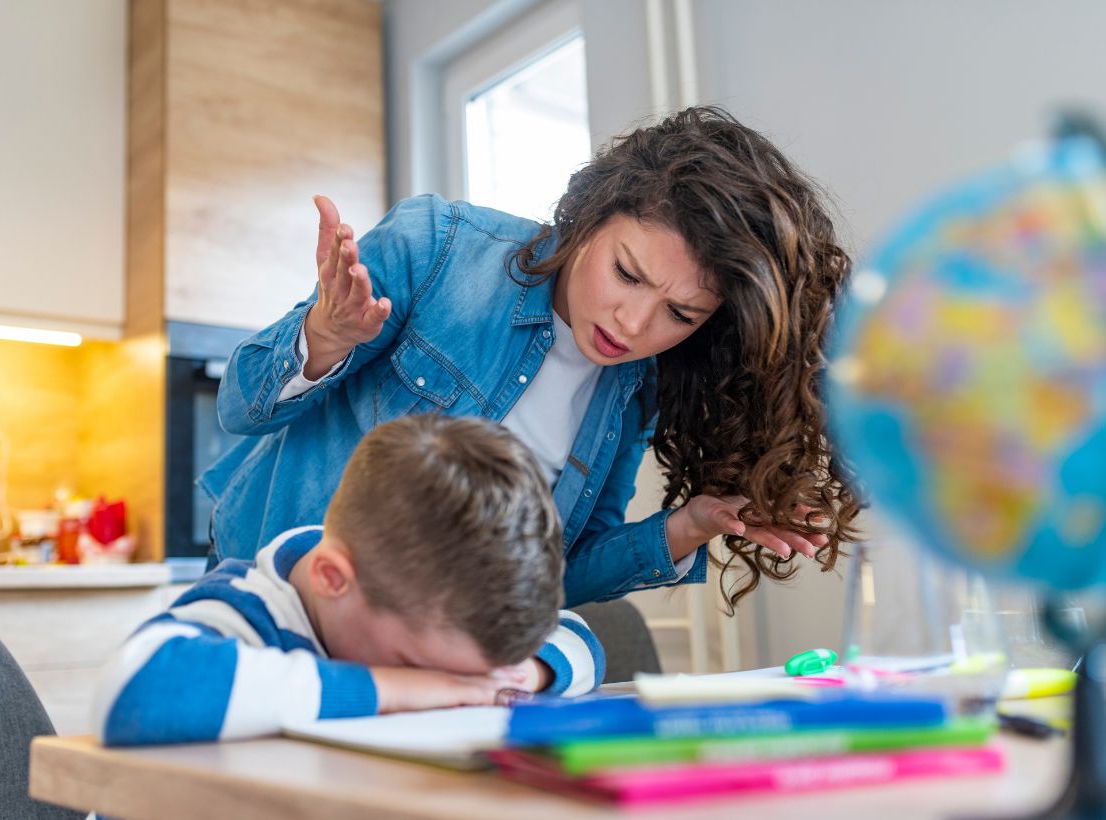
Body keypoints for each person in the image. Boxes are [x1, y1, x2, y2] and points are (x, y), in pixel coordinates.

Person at [203, 105, 861, 611]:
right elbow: (238, 405)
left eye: (681, 314)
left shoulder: (632, 389)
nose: (633, 325)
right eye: (627, 274)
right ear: (588, 219)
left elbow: (553, 578)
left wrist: (689, 526)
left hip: (429, 656)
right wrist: (325, 336)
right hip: (279, 606)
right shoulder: (439, 249)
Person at [93, 415, 604, 746]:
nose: (446, 688)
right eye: (416, 666)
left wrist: (522, 674)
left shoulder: (440, 613)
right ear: (332, 578)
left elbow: (581, 639)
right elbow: (131, 691)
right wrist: (400, 687)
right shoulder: (246, 610)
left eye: (458, 678)